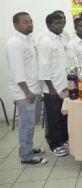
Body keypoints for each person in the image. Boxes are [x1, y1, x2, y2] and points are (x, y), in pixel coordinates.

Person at [6, 12, 47, 165]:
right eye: (25, 22)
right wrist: (27, 92)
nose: (30, 24)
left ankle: (26, 148)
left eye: (31, 21)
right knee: (26, 125)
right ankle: (27, 156)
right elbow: (17, 71)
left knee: (32, 123)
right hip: (25, 92)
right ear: (16, 25)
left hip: (34, 89)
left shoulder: (29, 40)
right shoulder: (15, 43)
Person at [38, 12, 69, 157]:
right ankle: (54, 144)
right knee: (53, 118)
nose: (60, 25)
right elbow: (43, 66)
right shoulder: (45, 41)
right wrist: (51, 88)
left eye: (61, 22)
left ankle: (63, 140)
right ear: (49, 25)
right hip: (52, 88)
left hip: (64, 85)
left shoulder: (62, 38)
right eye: (56, 23)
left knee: (63, 116)